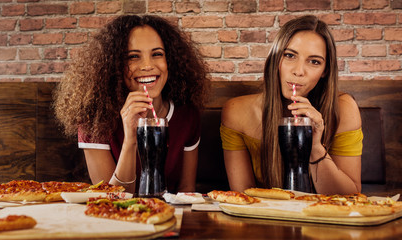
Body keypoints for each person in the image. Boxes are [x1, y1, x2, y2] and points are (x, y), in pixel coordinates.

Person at [53, 15, 209, 194]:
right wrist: (130, 140)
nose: (147, 66)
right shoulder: (93, 118)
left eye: (157, 54)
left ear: (171, 61)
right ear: (114, 65)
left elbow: (186, 191)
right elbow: (110, 198)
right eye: (133, 57)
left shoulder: (186, 114)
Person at [221, 15, 363, 195]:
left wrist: (315, 147)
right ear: (275, 59)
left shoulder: (344, 109)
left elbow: (349, 198)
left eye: (314, 62)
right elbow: (243, 198)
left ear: (325, 71)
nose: (298, 71)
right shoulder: (236, 112)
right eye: (289, 56)